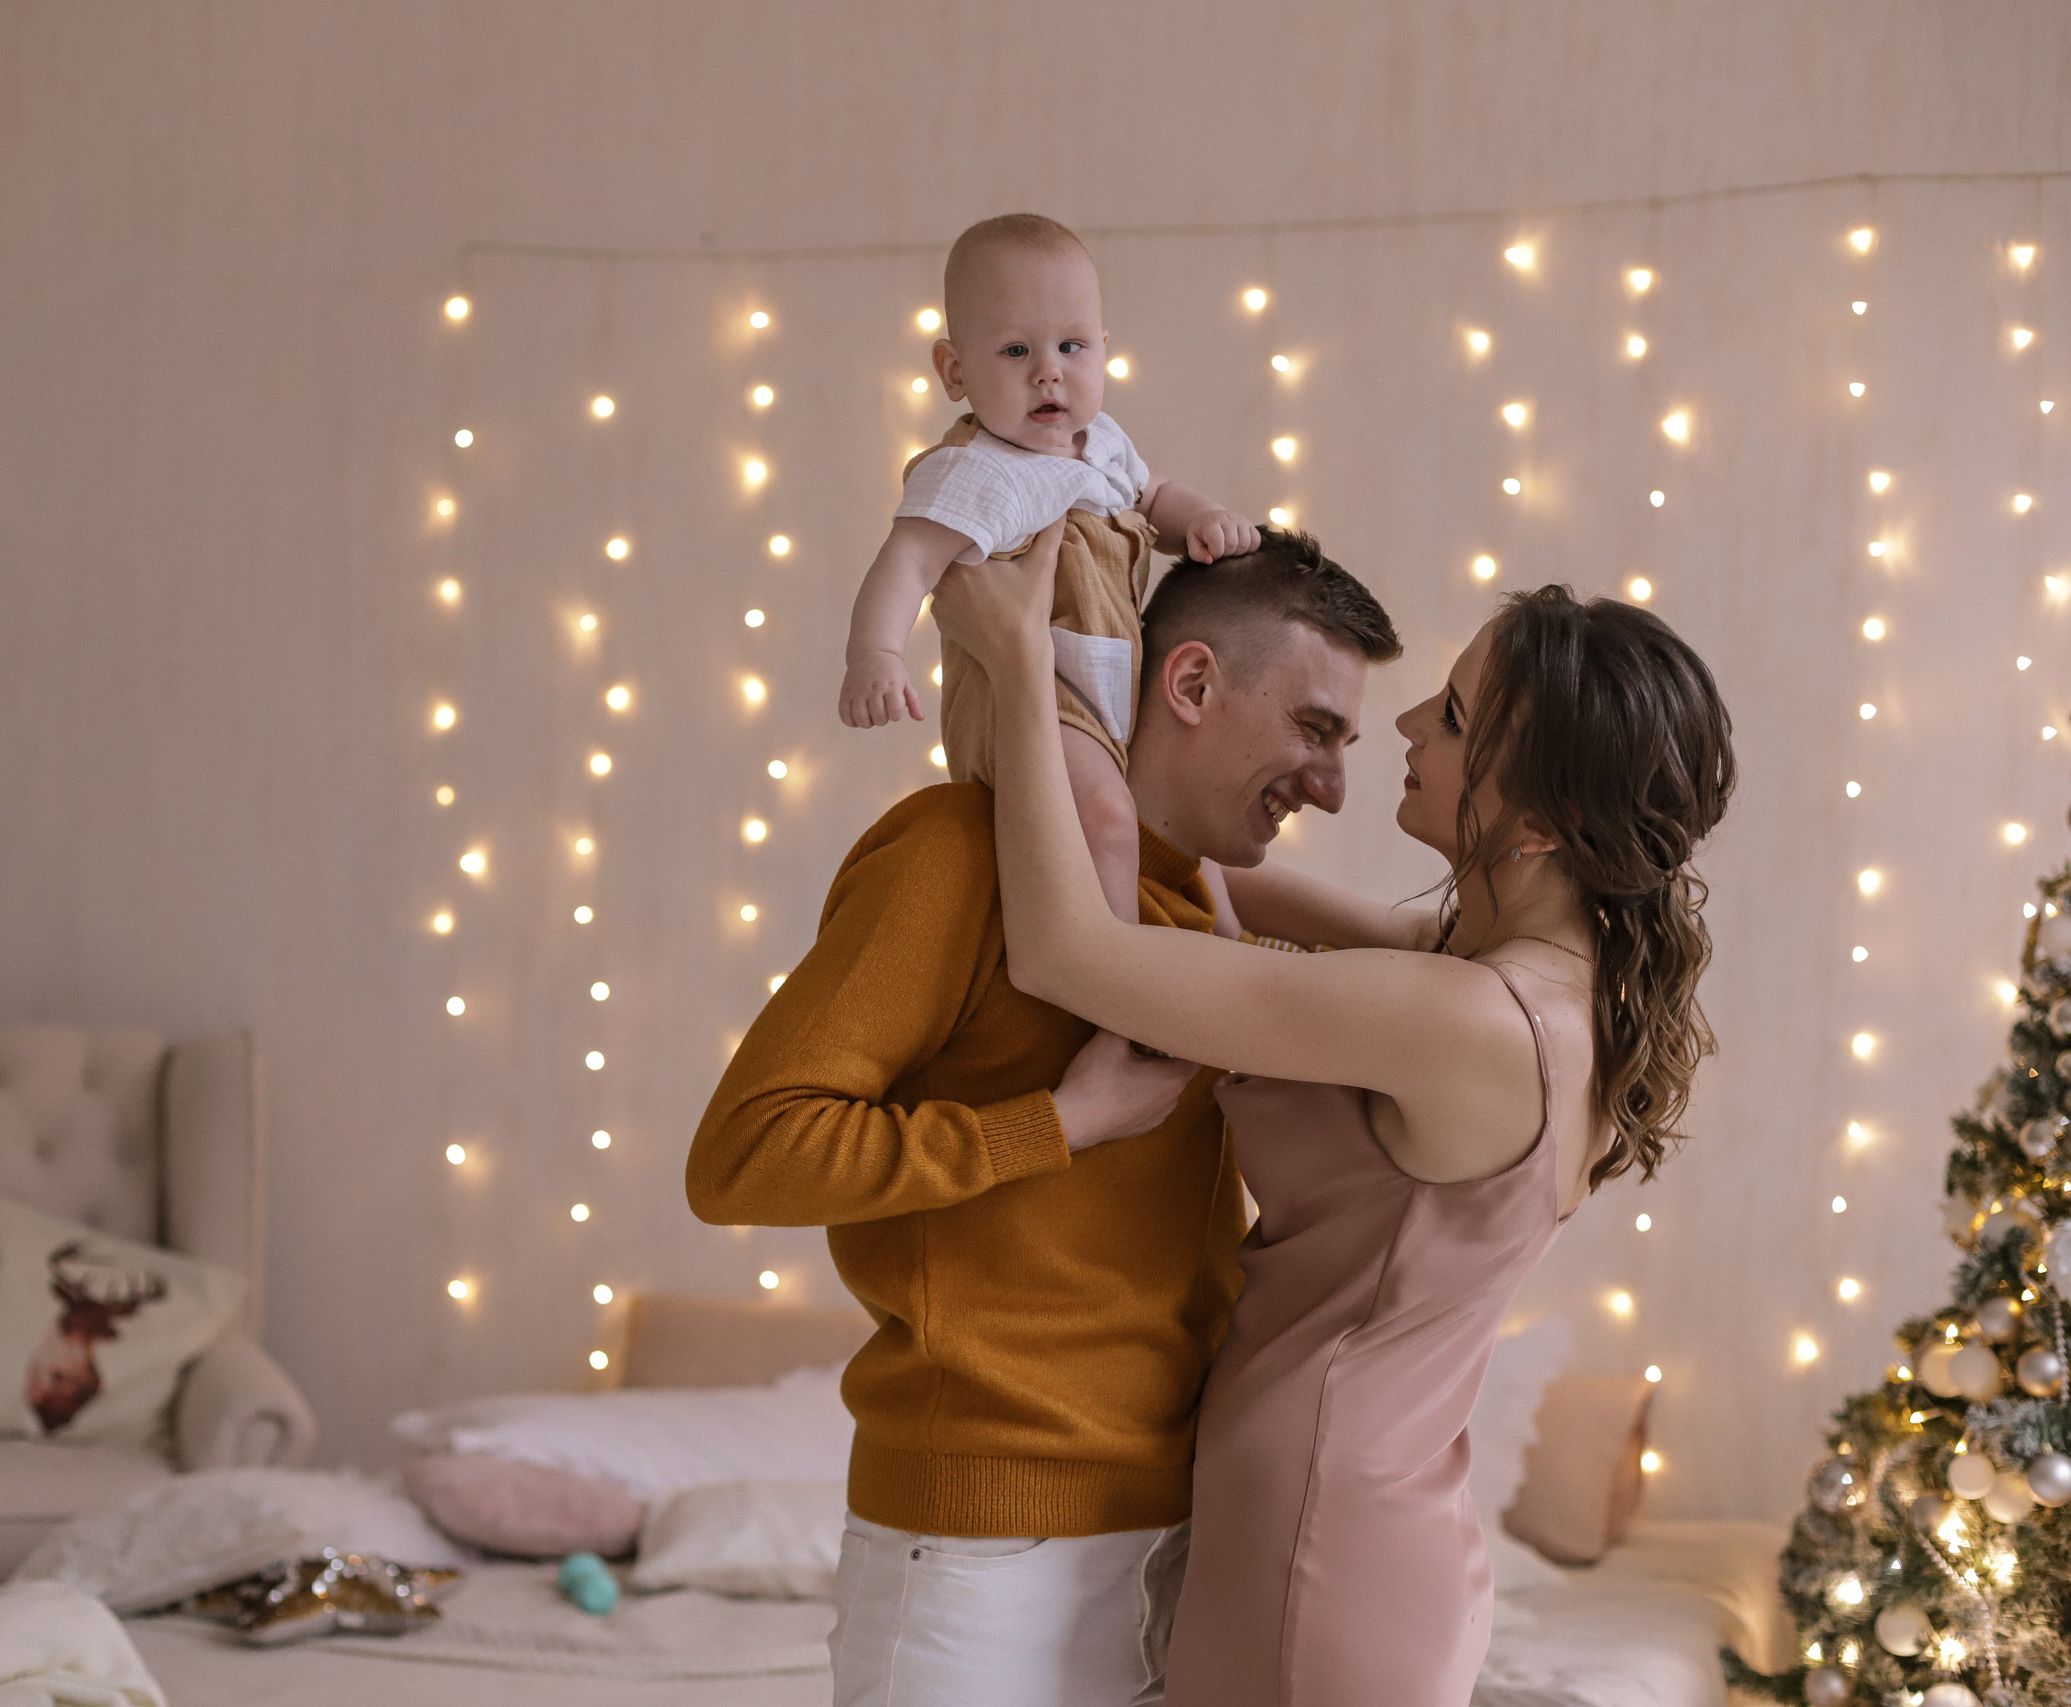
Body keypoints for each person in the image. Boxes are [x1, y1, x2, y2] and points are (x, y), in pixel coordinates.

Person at [932, 529, 1735, 1707]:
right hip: (1364, 1527)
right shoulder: (1542, 986)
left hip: (1318, 1545)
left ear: (1546, 824)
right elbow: (1201, 873)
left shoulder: (1462, 1018)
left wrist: (1011, 658)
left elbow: (1066, 952)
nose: (1404, 727)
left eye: (1455, 718)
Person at [691, 530, 1402, 1707]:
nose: (1330, 784)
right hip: (980, 1556)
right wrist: (1052, 1126)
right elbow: (745, 1156)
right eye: (1314, 730)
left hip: (1175, 1538)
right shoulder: (956, 855)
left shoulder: (1195, 909)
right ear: (1188, 684)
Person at [838, 212, 1261, 926]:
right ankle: (1120, 999)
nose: (1048, 371)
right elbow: (906, 561)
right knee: (1106, 821)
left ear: (1102, 350)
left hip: (1111, 695)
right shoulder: (975, 471)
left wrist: (1204, 520)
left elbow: (1153, 499)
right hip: (1031, 702)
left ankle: (1223, 948)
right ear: (955, 370)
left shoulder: (1102, 444)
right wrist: (875, 655)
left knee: (1189, 826)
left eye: (1070, 346)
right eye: (1014, 350)